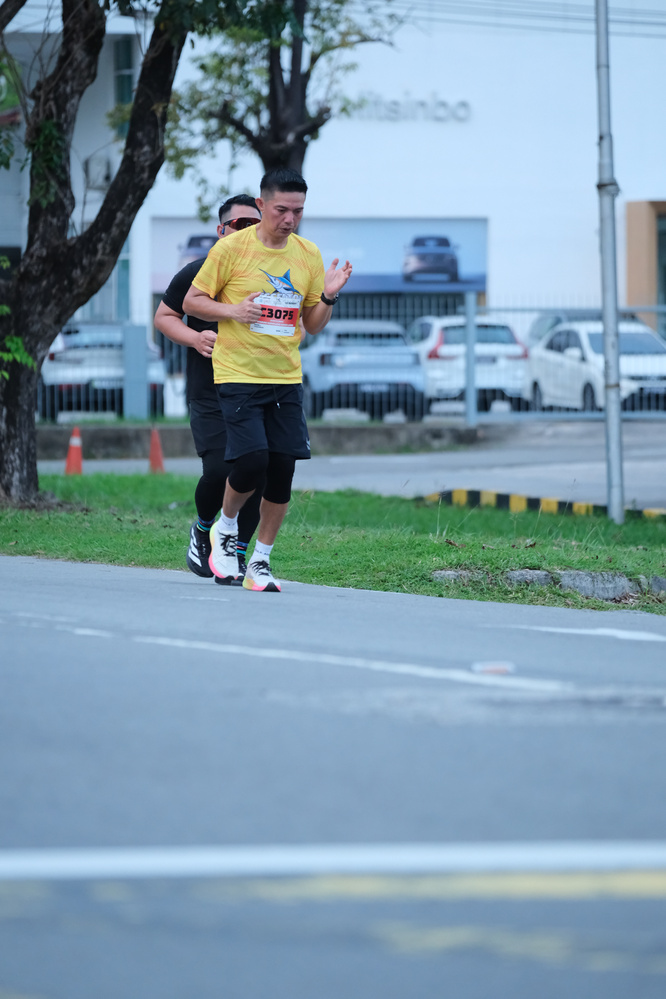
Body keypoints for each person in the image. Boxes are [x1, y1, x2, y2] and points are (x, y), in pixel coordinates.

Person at [183, 167, 352, 593]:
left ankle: (260, 561)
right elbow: (192, 301)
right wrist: (233, 311)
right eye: (281, 210)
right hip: (238, 374)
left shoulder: (307, 254)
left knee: (281, 472)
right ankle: (225, 529)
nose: (290, 219)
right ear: (261, 205)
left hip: (285, 377)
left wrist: (329, 295)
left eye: (298, 211)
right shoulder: (231, 249)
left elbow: (312, 324)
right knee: (251, 460)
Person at [153, 195, 263, 584]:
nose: (249, 231)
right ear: (221, 231)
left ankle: (236, 553)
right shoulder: (198, 272)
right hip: (210, 389)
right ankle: (203, 529)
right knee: (218, 469)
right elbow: (165, 317)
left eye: (255, 224)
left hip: (256, 388)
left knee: (257, 471)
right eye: (240, 224)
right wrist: (195, 338)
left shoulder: (270, 272)